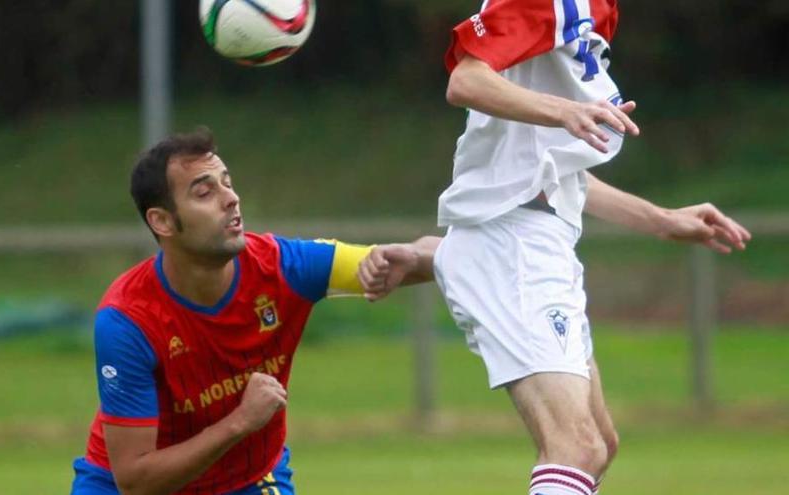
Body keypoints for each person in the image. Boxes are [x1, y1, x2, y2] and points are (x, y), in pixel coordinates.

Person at [365, 1, 752, 495]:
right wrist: (565, 111)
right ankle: (453, 255)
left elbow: (555, 168)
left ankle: (444, 256)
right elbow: (466, 80)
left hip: (539, 240)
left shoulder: (599, 9)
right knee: (576, 447)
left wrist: (661, 220)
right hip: (514, 243)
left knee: (599, 445)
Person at [69, 127, 439, 495]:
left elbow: (422, 256)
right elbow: (135, 480)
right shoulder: (128, 319)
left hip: (246, 481)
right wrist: (239, 422)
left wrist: (416, 256)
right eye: (205, 191)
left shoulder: (284, 267)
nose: (231, 198)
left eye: (227, 182)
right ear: (162, 221)